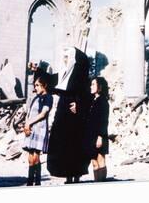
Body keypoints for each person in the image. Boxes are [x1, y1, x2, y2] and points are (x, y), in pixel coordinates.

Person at [47, 47, 91, 183]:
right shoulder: (63, 74)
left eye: (67, 57)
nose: (65, 60)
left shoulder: (81, 76)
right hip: (63, 112)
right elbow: (49, 83)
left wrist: (78, 103)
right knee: (62, 144)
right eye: (64, 57)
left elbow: (86, 96)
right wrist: (36, 71)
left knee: (74, 145)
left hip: (76, 117)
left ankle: (76, 174)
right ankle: (67, 174)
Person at [22, 74, 53, 186]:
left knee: (36, 156)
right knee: (30, 157)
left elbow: (43, 113)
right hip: (30, 128)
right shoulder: (35, 98)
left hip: (40, 129)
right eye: (35, 85)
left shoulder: (48, 97)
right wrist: (26, 125)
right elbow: (29, 113)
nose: (36, 88)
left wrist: (29, 123)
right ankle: (30, 182)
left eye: (38, 85)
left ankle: (37, 182)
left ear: (44, 85)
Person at [84, 77, 110, 182]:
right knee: (94, 162)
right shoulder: (92, 100)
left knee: (100, 160)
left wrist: (100, 136)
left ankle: (102, 183)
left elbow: (104, 120)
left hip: (100, 135)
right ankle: (96, 182)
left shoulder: (103, 101)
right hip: (90, 135)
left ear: (99, 87)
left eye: (93, 84)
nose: (91, 86)